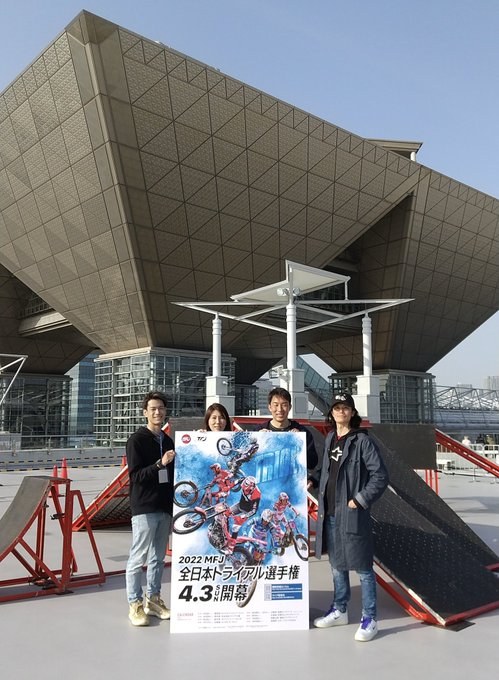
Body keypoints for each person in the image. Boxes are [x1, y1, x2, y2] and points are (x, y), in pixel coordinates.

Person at [311, 392, 388, 642]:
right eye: (337, 408)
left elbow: (380, 476)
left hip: (353, 513)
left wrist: (360, 500)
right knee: (337, 566)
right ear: (331, 412)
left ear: (352, 413)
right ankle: (340, 610)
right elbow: (326, 470)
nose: (341, 412)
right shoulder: (331, 438)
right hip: (330, 513)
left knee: (363, 568)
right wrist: (313, 479)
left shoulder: (362, 441)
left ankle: (370, 618)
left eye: (345, 408)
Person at [125, 391, 176, 627]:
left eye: (161, 408)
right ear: (145, 412)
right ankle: (134, 603)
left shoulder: (167, 441)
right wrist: (159, 464)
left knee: (157, 558)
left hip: (165, 506)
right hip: (145, 507)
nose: (158, 412)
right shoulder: (136, 440)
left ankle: (153, 600)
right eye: (153, 409)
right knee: (138, 558)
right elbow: (135, 476)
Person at [255, 387, 318, 469]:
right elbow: (248, 462)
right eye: (276, 405)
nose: (280, 409)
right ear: (270, 407)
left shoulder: (302, 432)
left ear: (290, 407)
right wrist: (257, 442)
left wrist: (300, 443)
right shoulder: (258, 431)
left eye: (284, 405)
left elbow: (313, 463)